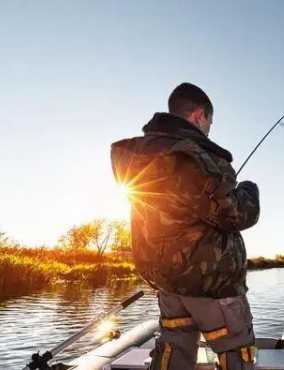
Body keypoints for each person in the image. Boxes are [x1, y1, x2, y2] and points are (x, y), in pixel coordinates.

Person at [110, 82, 260, 370]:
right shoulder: (194, 155)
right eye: (210, 122)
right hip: (210, 282)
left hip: (166, 280)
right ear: (199, 115)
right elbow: (235, 214)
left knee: (175, 345)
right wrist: (249, 190)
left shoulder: (137, 155)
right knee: (235, 349)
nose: (209, 129)